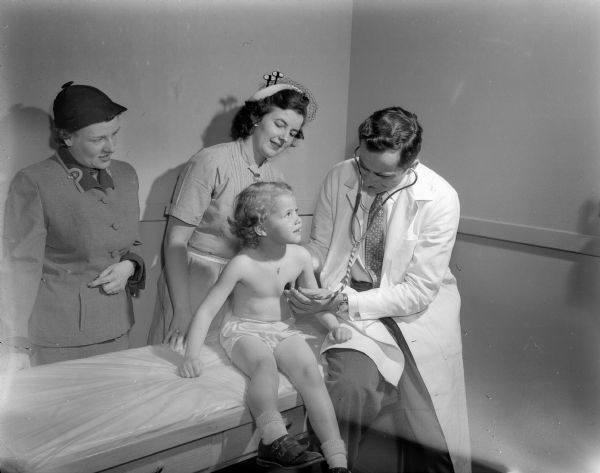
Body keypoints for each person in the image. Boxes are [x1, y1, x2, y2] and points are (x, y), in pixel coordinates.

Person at [286, 107, 471, 473]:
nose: (367, 180)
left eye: (382, 175)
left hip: (416, 314)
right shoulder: (340, 175)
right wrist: (293, 261)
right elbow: (321, 246)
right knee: (347, 391)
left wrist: (345, 300)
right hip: (351, 301)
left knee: (432, 440)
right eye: (363, 166)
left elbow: (417, 292)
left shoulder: (441, 198)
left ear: (411, 163)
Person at [179, 182, 350, 472]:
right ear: (260, 227)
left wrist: (333, 324)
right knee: (264, 366)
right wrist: (191, 355)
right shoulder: (241, 264)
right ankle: (273, 439)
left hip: (283, 328)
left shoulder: (300, 257)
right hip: (245, 330)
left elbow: (313, 301)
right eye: (287, 214)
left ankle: (337, 459)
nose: (298, 218)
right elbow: (208, 310)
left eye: (297, 211)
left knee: (310, 372)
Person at [147, 75, 316, 350]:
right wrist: (182, 309)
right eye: (280, 124)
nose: (285, 137)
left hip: (243, 291)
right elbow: (175, 242)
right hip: (195, 284)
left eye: (293, 132)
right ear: (256, 118)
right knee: (181, 365)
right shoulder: (210, 161)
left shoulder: (274, 177)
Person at [2, 82, 145, 366]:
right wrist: (13, 343)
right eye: (98, 140)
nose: (111, 147)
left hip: (118, 327)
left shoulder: (126, 175)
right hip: (60, 338)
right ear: (66, 137)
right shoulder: (33, 182)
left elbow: (133, 242)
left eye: (114, 134)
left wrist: (129, 266)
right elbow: (19, 267)